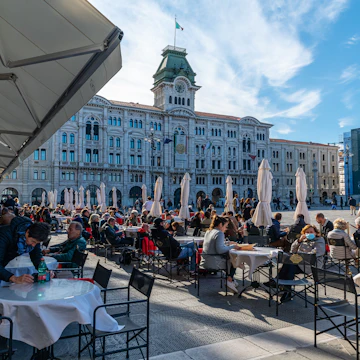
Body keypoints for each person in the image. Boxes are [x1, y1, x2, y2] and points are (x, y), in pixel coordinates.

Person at [265, 224, 326, 303]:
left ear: (316, 233)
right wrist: (299, 241)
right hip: (299, 263)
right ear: (304, 233)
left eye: (311, 232)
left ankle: (279, 282)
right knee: (289, 264)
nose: (309, 234)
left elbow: (317, 253)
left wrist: (300, 255)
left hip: (311, 265)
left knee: (290, 264)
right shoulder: (302, 240)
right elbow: (292, 250)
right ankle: (287, 291)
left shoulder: (319, 240)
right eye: (307, 232)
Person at [0, 217, 51, 283]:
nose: (33, 245)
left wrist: (45, 271)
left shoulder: (35, 236)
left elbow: (36, 256)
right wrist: (14, 278)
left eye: (36, 243)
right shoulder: (4, 235)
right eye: (33, 241)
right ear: (27, 232)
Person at [200, 216, 242, 293]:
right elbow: (220, 250)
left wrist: (228, 243)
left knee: (231, 258)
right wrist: (232, 246)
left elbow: (214, 244)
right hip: (214, 263)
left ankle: (231, 279)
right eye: (225, 226)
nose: (226, 229)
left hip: (205, 261)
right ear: (220, 224)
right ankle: (229, 280)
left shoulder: (209, 231)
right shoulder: (219, 233)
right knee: (234, 259)